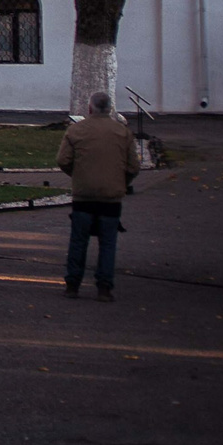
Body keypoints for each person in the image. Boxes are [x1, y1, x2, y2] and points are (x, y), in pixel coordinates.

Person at [57, 91, 141, 300]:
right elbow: (133, 166)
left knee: (78, 241)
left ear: (90, 108)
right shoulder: (122, 133)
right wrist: (121, 182)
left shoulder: (76, 130)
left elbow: (63, 160)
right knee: (108, 243)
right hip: (111, 197)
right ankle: (104, 287)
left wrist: (78, 175)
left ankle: (72, 285)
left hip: (84, 195)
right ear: (110, 109)